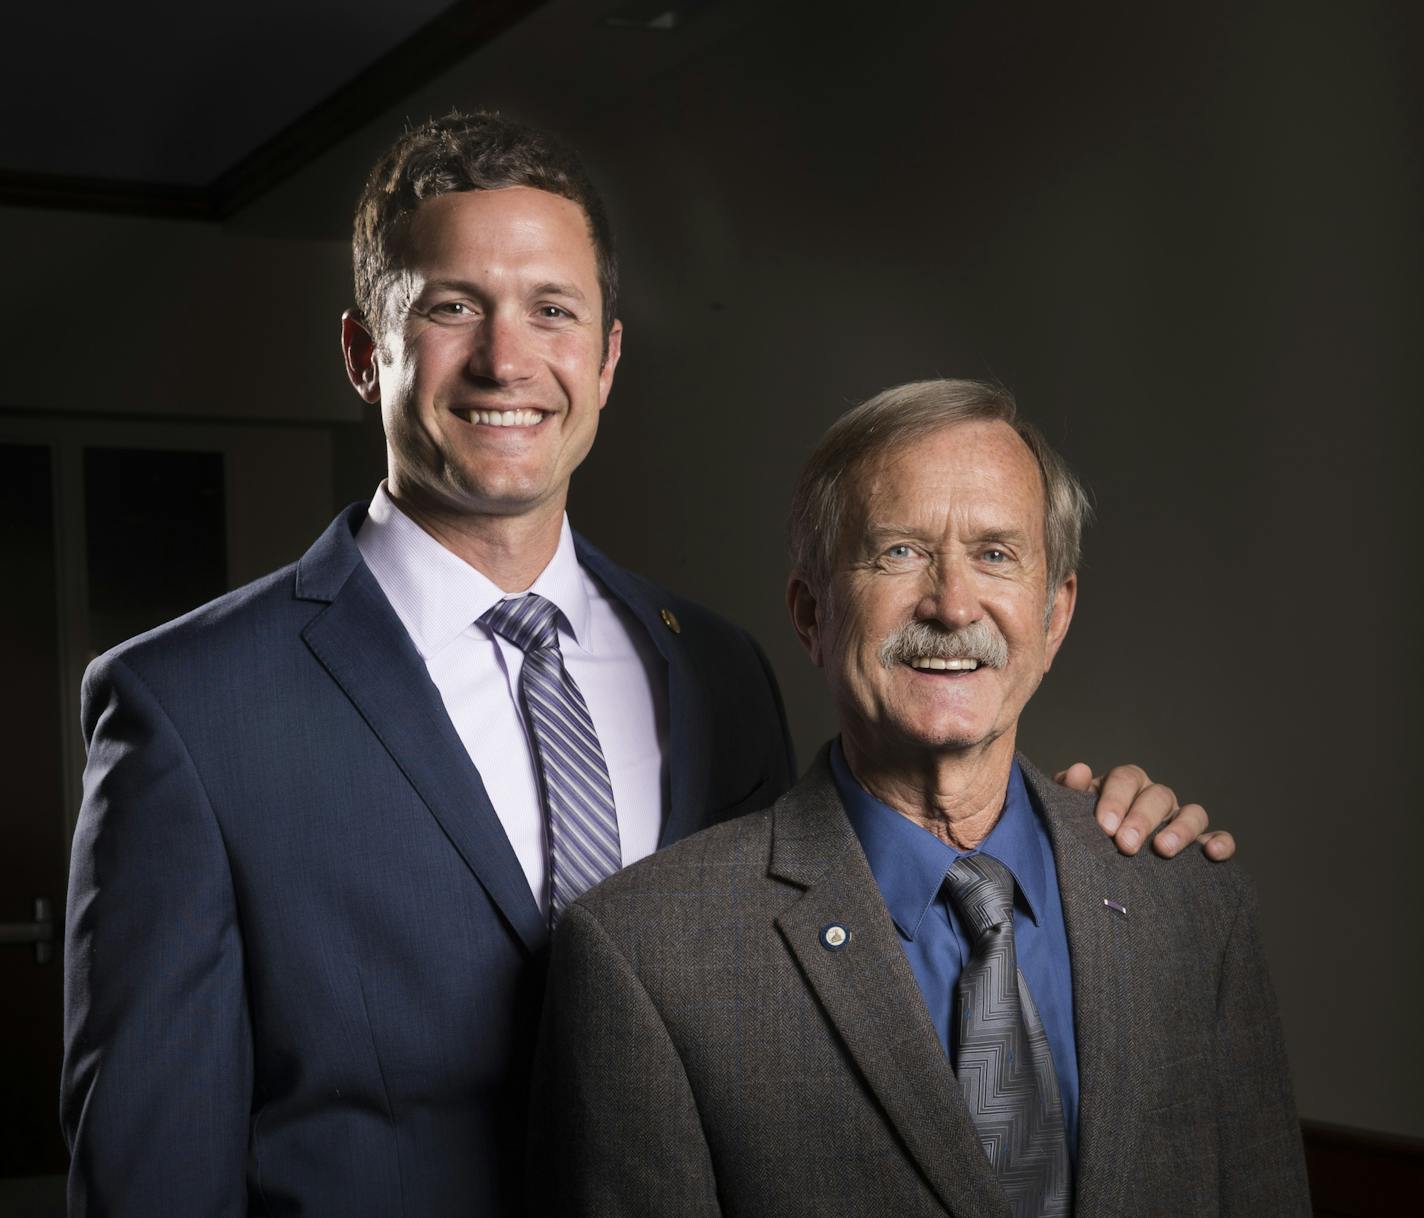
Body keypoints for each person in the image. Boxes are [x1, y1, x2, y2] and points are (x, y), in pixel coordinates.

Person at [62, 114, 1226, 1217]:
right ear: (367, 353)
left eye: (552, 310)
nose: (506, 359)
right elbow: (150, 1179)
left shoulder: (716, 672)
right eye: (454, 307)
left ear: (607, 358)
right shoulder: (192, 709)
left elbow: (837, 978)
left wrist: (1074, 846)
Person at [530, 379, 1307, 1217]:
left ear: (1055, 617)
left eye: (997, 554)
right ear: (811, 612)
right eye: (898, 552)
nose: (952, 603)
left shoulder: (1190, 906)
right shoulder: (648, 957)